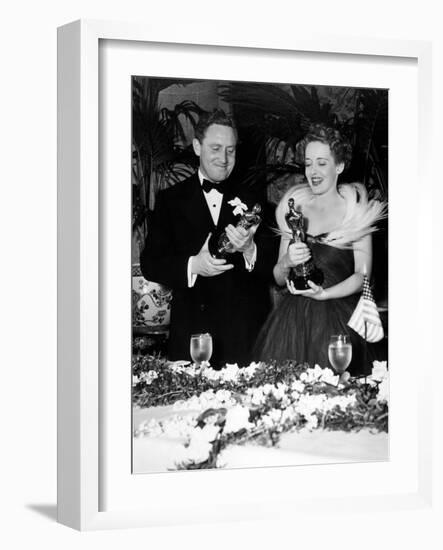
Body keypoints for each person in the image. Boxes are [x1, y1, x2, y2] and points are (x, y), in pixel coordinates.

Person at [140, 109, 277, 368]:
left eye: (231, 150)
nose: (224, 158)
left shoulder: (255, 201)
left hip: (246, 339)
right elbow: (151, 263)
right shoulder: (170, 200)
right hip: (193, 338)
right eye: (216, 148)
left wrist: (250, 250)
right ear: (197, 147)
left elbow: (274, 270)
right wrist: (194, 265)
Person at [254, 123, 387, 376]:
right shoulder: (293, 209)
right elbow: (278, 277)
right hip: (292, 324)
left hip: (340, 321)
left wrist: (325, 294)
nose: (313, 171)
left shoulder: (355, 210)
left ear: (339, 166)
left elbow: (363, 276)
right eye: (308, 163)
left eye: (322, 163)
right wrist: (286, 263)